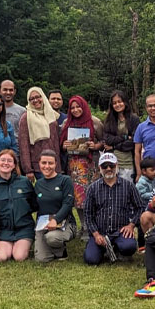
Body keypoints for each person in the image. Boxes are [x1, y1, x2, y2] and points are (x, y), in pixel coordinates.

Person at [83, 152, 143, 265]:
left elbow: (140, 208)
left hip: (120, 232)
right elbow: (88, 214)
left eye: (111, 165)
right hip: (100, 232)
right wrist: (96, 234)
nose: (108, 169)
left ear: (117, 166)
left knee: (129, 247)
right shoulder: (92, 188)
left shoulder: (128, 186)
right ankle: (102, 248)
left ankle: (117, 249)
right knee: (91, 259)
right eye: (105, 166)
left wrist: (131, 225)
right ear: (100, 168)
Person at [60, 95, 104, 237]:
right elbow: (61, 144)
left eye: (78, 106)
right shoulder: (67, 122)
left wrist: (95, 145)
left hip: (91, 165)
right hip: (74, 167)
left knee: (92, 197)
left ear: (83, 106)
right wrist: (64, 145)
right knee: (78, 198)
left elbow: (104, 141)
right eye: (72, 108)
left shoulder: (95, 122)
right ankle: (84, 226)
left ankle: (92, 227)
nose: (75, 110)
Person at [0, 149, 38, 262]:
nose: (6, 163)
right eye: (3, 160)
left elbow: (34, 204)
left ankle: (23, 244)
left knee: (19, 257)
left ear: (14, 165)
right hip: (4, 231)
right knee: (2, 257)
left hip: (24, 229)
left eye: (9, 161)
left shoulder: (24, 182)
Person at [34, 150, 77, 262]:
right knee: (42, 259)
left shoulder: (65, 180)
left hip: (64, 222)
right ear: (39, 164)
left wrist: (55, 219)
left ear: (56, 164)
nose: (47, 166)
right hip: (44, 223)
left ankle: (60, 250)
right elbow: (36, 206)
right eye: (44, 163)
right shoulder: (38, 184)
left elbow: (68, 203)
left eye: (50, 163)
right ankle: (51, 248)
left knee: (52, 238)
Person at [18, 87, 61, 182]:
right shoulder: (26, 118)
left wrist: (58, 166)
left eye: (38, 97)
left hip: (54, 165)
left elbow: (56, 142)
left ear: (43, 97)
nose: (35, 100)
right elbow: (23, 145)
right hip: (37, 168)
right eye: (32, 98)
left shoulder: (51, 114)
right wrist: (28, 170)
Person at [102, 90, 140, 180]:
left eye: (120, 101)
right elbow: (107, 139)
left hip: (128, 164)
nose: (117, 105)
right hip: (111, 164)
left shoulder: (133, 119)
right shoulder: (109, 120)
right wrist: (124, 137)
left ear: (125, 102)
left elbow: (133, 142)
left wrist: (114, 146)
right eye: (114, 103)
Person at [133, 93, 155, 181]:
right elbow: (137, 152)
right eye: (150, 106)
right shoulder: (141, 127)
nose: (153, 108)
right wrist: (139, 173)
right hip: (148, 170)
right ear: (146, 108)